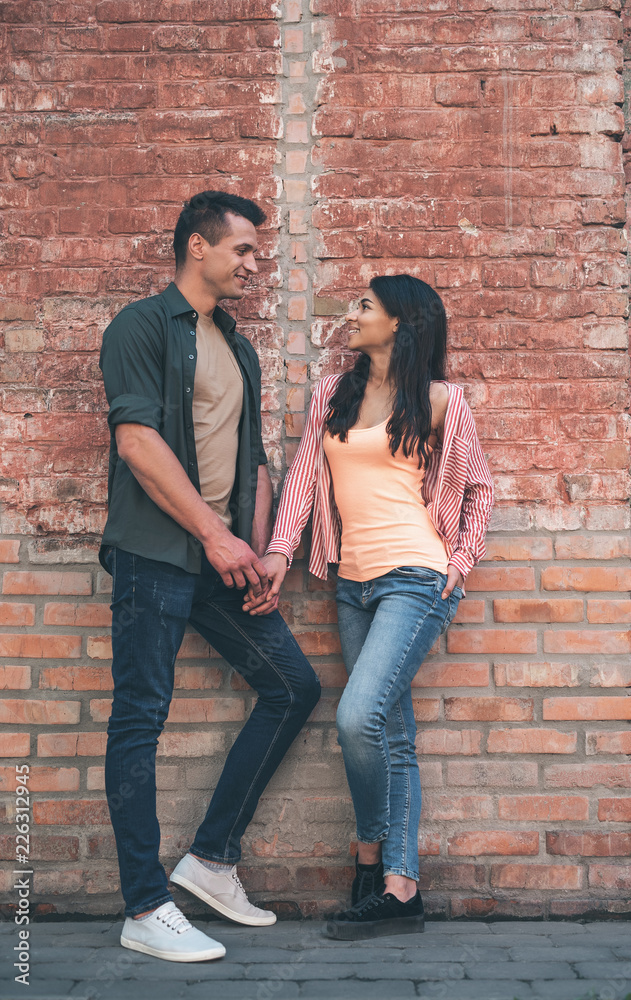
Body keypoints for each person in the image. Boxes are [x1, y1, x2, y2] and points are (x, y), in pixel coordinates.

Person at [99, 190, 321, 962]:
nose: (253, 266)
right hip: (155, 553)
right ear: (198, 246)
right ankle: (143, 906)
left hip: (222, 557)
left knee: (294, 686)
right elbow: (137, 444)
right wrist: (215, 539)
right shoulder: (139, 326)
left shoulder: (236, 344)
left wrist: (256, 553)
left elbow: (251, 460)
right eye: (244, 251)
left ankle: (211, 861)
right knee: (140, 719)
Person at [243, 274, 494, 940]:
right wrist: (277, 552)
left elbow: (479, 491)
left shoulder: (441, 401)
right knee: (389, 732)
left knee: (357, 716)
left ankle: (370, 857)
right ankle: (398, 889)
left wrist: (460, 561)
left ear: (401, 323)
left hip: (414, 578)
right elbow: (301, 478)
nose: (350, 315)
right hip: (350, 583)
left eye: (364, 307)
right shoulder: (333, 394)